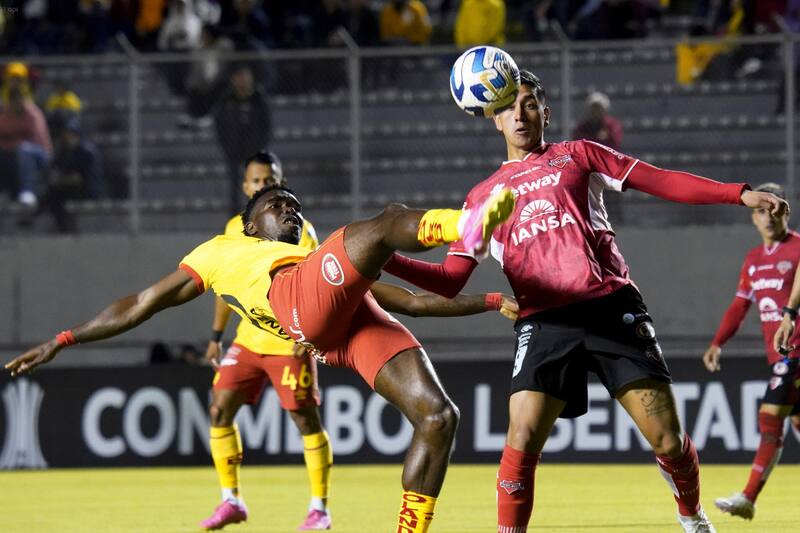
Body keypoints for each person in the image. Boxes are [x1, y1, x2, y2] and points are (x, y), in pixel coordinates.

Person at [380, 69, 788, 533]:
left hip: (610, 308)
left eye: (529, 103)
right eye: (509, 106)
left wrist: (739, 194)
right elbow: (451, 280)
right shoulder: (481, 199)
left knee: (668, 440)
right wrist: (382, 256)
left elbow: (660, 180)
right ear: (493, 118)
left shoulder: (578, 155)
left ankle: (691, 516)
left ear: (545, 113)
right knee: (520, 439)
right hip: (544, 321)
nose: (520, 113)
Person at [6, 185, 518, 533]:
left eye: (295, 207)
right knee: (385, 219)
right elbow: (140, 304)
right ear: (251, 224)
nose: (291, 212)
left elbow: (410, 301)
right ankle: (466, 224)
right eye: (278, 206)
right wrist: (65, 338)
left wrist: (492, 301)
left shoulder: (308, 256)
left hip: (340, 327)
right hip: (298, 304)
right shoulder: (221, 252)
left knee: (438, 417)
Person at [201, 150, 330, 531]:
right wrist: (215, 336)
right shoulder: (232, 229)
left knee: (305, 421)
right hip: (247, 340)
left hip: (287, 341)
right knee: (219, 410)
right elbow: (224, 285)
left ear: (280, 180)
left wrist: (308, 335)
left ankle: (319, 508)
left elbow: (315, 284)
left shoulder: (299, 228)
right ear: (245, 186)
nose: (264, 185)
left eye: (270, 179)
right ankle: (231, 500)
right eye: (257, 180)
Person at [702, 182, 800, 521]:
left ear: (784, 211)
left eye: (773, 209)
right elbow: (740, 305)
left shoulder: (799, 249)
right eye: (760, 210)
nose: (767, 216)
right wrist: (718, 342)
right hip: (780, 355)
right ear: (753, 218)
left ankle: (748, 497)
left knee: (770, 418)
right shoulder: (754, 260)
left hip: (796, 352)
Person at [212, 64, 271, 213]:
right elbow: (220, 127)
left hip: (256, 154)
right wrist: (229, 148)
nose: (242, 80)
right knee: (235, 191)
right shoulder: (226, 101)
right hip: (233, 153)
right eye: (238, 76)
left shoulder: (259, 100)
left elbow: (266, 128)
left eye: (245, 75)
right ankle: (235, 224)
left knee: (258, 191)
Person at [0, 62, 52, 209]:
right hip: (11, 153)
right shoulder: (3, 114)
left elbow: (36, 140)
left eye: (19, 100)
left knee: (23, 150)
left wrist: (12, 142)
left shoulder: (32, 113)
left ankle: (28, 191)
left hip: (38, 154)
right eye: (12, 101)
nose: (16, 104)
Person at [42, 117, 104, 233]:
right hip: (70, 188)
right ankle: (62, 226)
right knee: (52, 195)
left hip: (87, 189)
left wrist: (60, 180)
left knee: (54, 195)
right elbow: (54, 168)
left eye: (69, 133)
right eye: (65, 134)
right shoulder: (64, 151)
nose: (67, 137)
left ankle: (62, 227)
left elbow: (79, 179)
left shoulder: (86, 151)